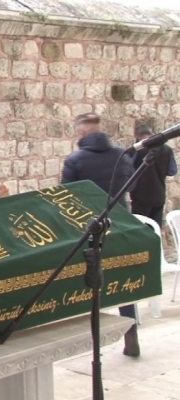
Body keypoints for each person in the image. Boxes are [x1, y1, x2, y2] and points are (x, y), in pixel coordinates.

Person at [61, 113, 139, 357]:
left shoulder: (75, 160)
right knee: (124, 279)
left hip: (91, 225)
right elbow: (132, 186)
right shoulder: (122, 155)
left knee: (91, 278)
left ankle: (93, 342)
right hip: (121, 224)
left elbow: (66, 194)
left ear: (82, 133)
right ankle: (131, 334)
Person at [128, 124, 177, 227]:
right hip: (159, 196)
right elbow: (172, 171)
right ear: (152, 134)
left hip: (140, 197)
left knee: (139, 228)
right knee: (155, 228)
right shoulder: (167, 150)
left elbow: (128, 168)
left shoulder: (136, 151)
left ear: (137, 136)